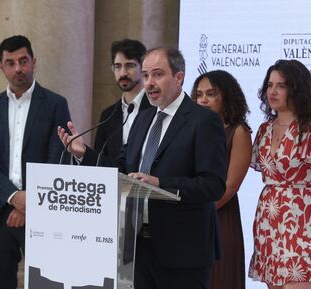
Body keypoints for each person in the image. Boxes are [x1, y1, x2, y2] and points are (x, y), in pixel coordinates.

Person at [58, 47, 227, 289]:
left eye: (157, 75)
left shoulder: (203, 121)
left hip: (182, 252)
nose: (149, 83)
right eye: (146, 76)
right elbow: (122, 168)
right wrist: (84, 153)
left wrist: (160, 183)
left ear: (179, 77)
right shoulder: (143, 118)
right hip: (136, 246)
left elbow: (213, 185)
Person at [0, 35, 71, 289]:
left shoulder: (55, 105)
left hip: (42, 212)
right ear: (1, 67)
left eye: (23, 61)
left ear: (34, 62)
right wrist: (13, 197)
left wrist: (27, 205)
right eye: (10, 62)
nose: (18, 68)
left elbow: (58, 158)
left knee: (47, 284)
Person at [248, 59, 311, 289]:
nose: (273, 91)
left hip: (303, 223)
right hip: (268, 221)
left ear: (296, 89)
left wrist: (309, 209)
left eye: (281, 85)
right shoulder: (264, 129)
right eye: (270, 85)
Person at [192, 70, 251, 289]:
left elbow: (231, 186)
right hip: (193, 218)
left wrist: (197, 211)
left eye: (211, 93)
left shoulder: (239, 131)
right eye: (199, 94)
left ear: (226, 97)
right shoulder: (193, 128)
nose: (203, 100)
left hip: (219, 218)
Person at [94, 39, 151, 159]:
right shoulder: (108, 115)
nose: (123, 73)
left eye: (130, 65)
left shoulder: (156, 108)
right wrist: (82, 153)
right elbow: (100, 160)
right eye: (117, 67)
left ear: (143, 67)